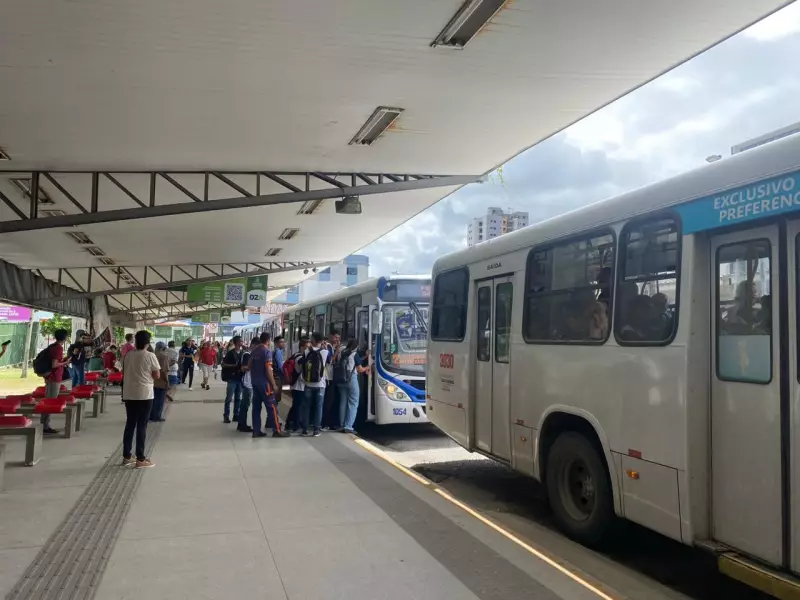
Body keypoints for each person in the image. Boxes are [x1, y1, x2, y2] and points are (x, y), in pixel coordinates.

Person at [120, 330, 160, 468]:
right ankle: (140, 459)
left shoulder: (128, 355)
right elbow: (156, 375)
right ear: (148, 343)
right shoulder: (150, 356)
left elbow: (124, 371)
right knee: (142, 425)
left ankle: (126, 456)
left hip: (129, 393)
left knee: (130, 423)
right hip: (144, 394)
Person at [250, 332, 289, 438]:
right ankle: (277, 430)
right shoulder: (267, 351)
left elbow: (249, 366)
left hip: (255, 383)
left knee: (256, 408)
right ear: (268, 340)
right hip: (265, 384)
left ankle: (256, 431)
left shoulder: (254, 351)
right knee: (272, 407)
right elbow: (268, 370)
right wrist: (274, 384)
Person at [336, 339, 371, 434]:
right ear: (356, 347)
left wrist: (364, 357)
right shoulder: (354, 354)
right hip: (351, 379)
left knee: (343, 401)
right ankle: (348, 426)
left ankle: (342, 424)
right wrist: (368, 367)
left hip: (341, 380)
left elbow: (355, 362)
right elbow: (360, 369)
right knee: (353, 402)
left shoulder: (342, 353)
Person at [41, 328, 72, 435]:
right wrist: (65, 363)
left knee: (48, 400)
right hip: (54, 378)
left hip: (50, 377)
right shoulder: (58, 348)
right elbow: (54, 364)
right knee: (50, 402)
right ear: (65, 338)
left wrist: (63, 361)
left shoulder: (52, 346)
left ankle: (44, 424)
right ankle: (45, 426)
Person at [298, 332, 329, 437]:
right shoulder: (325, 352)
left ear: (314, 340)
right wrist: (325, 347)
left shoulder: (307, 351)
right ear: (321, 341)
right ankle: (316, 430)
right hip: (320, 385)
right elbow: (329, 362)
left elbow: (302, 363)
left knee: (306, 407)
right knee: (318, 407)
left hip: (308, 383)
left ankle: (305, 430)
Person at [284, 337, 309, 433]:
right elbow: (302, 369)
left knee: (296, 405)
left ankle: (291, 423)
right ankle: (295, 425)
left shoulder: (295, 355)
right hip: (298, 385)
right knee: (298, 406)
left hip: (297, 385)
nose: (308, 349)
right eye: (307, 347)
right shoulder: (299, 357)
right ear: (302, 347)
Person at [221, 336, 244, 423]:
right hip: (231, 378)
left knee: (238, 398)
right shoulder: (230, 353)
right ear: (237, 343)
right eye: (241, 341)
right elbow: (223, 364)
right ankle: (226, 415)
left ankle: (236, 415)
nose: (242, 343)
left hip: (240, 378)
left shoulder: (243, 353)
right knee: (229, 398)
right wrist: (233, 366)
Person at [237, 338, 257, 433]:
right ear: (253, 345)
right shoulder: (247, 355)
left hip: (249, 383)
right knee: (245, 404)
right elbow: (243, 368)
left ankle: (241, 423)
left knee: (245, 404)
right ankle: (242, 424)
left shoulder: (250, 354)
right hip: (247, 383)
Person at [321, 330, 340, 430]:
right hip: (327, 377)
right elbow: (329, 361)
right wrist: (337, 352)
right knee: (328, 401)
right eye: (336, 337)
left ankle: (327, 422)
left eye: (338, 337)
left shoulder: (330, 347)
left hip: (330, 377)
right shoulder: (327, 346)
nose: (337, 340)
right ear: (330, 336)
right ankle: (325, 423)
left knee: (329, 401)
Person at [151, 342, 170, 422]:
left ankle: (151, 415)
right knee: (160, 400)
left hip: (151, 381)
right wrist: (166, 381)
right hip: (161, 381)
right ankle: (157, 416)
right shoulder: (164, 357)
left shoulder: (152, 355)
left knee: (152, 400)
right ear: (163, 348)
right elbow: (164, 371)